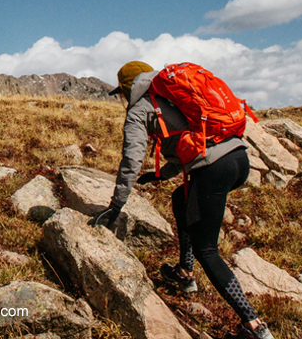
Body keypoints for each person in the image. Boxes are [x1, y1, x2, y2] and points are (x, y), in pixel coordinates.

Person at [93, 61, 275, 339]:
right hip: (238, 158)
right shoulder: (170, 94)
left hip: (215, 168)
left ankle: (254, 326)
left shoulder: (139, 108)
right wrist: (160, 175)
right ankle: (184, 273)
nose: (121, 98)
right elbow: (186, 147)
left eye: (121, 92)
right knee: (181, 198)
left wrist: (116, 205)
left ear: (127, 88)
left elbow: (131, 159)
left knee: (208, 251)